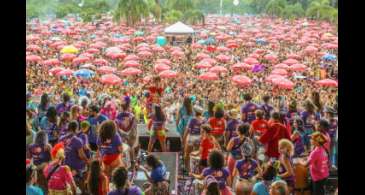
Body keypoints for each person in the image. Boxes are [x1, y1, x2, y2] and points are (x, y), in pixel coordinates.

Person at [115, 95, 138, 165]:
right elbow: (134, 126)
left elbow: (117, 127)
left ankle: (123, 164)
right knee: (131, 148)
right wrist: (130, 134)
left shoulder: (118, 116)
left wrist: (123, 134)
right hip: (130, 135)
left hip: (123, 135)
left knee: (123, 149)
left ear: (121, 107)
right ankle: (133, 163)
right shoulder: (132, 116)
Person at [183, 105, 204, 173]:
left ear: (195, 112)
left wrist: (184, 139)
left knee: (187, 154)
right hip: (199, 138)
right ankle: (195, 169)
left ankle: (187, 169)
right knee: (196, 154)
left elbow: (187, 130)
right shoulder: (204, 119)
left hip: (192, 137)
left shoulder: (192, 119)